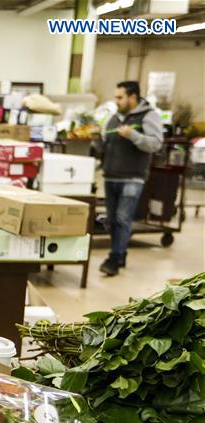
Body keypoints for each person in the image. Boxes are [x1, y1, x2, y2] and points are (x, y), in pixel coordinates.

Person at [92, 80, 163, 277]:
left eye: (120, 97)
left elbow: (156, 144)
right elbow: (104, 146)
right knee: (113, 220)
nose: (116, 101)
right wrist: (96, 138)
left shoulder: (148, 116)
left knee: (123, 219)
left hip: (132, 177)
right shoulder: (114, 117)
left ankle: (113, 258)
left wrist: (133, 135)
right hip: (111, 176)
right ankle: (120, 253)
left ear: (133, 97)